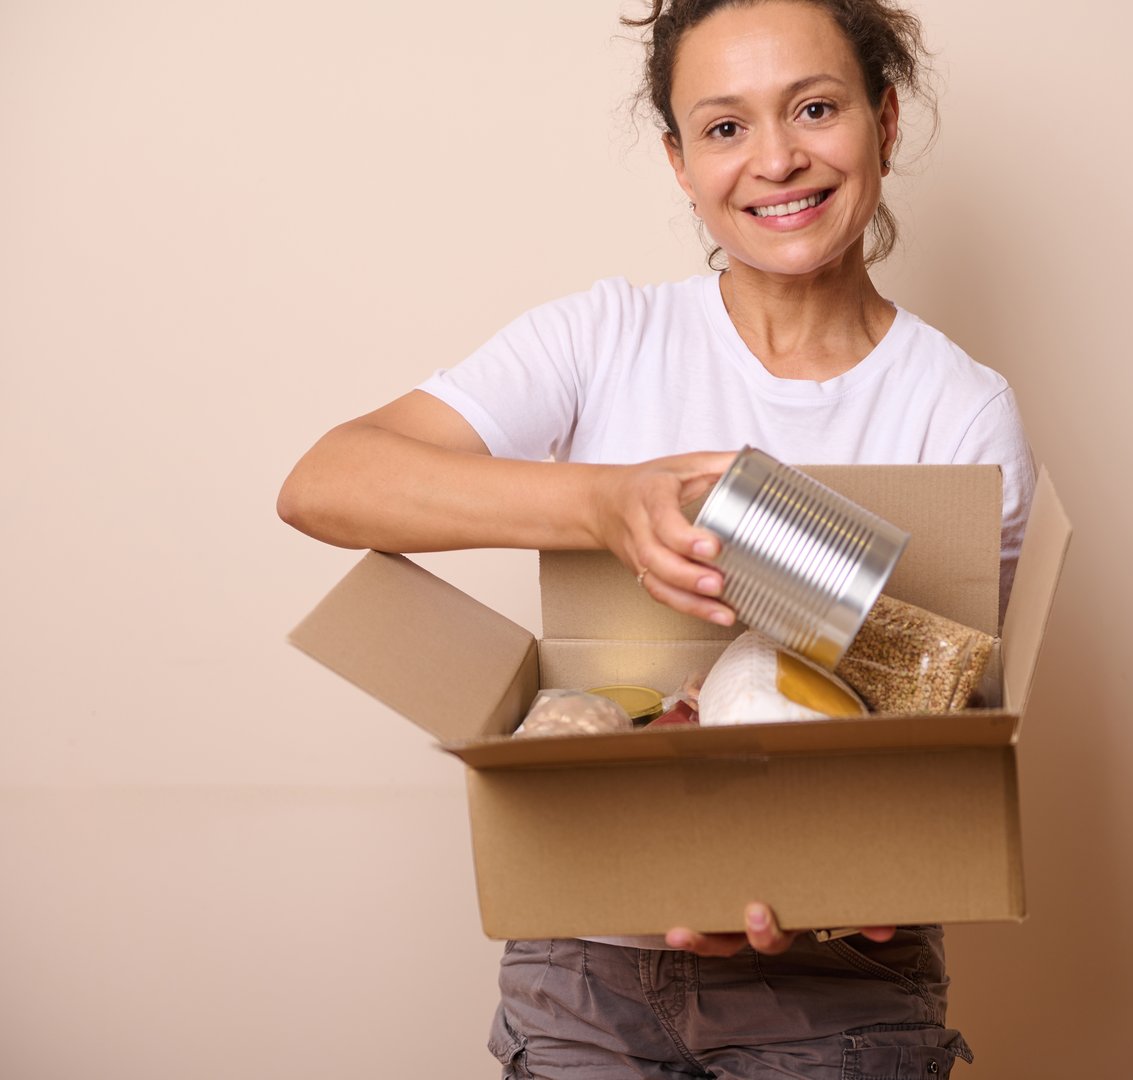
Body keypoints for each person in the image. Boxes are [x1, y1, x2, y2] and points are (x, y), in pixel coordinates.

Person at [279, 0, 1034, 1075]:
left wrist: (837, 888)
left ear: (886, 119)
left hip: (837, 992)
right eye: (725, 128)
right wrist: (598, 506)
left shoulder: (957, 409)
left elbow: (944, 732)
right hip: (580, 962)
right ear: (680, 164)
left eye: (815, 109)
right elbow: (326, 484)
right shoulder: (603, 341)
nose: (777, 159)